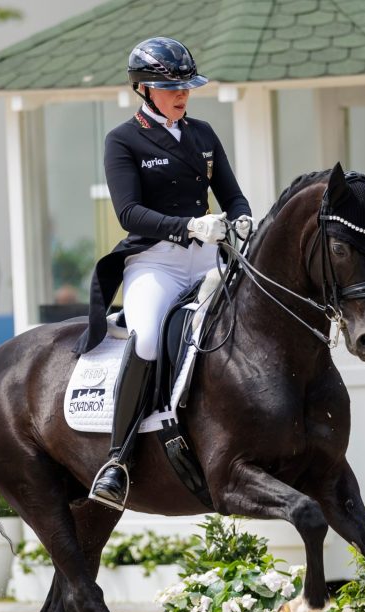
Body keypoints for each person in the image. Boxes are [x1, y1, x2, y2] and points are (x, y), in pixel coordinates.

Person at [78, 37, 253, 510]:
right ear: (143, 89)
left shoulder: (203, 134)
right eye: (169, 87)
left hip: (206, 258)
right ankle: (117, 458)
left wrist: (241, 217)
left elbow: (232, 194)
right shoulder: (123, 140)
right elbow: (129, 213)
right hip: (155, 261)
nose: (182, 95)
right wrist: (187, 225)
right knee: (149, 337)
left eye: (185, 87)